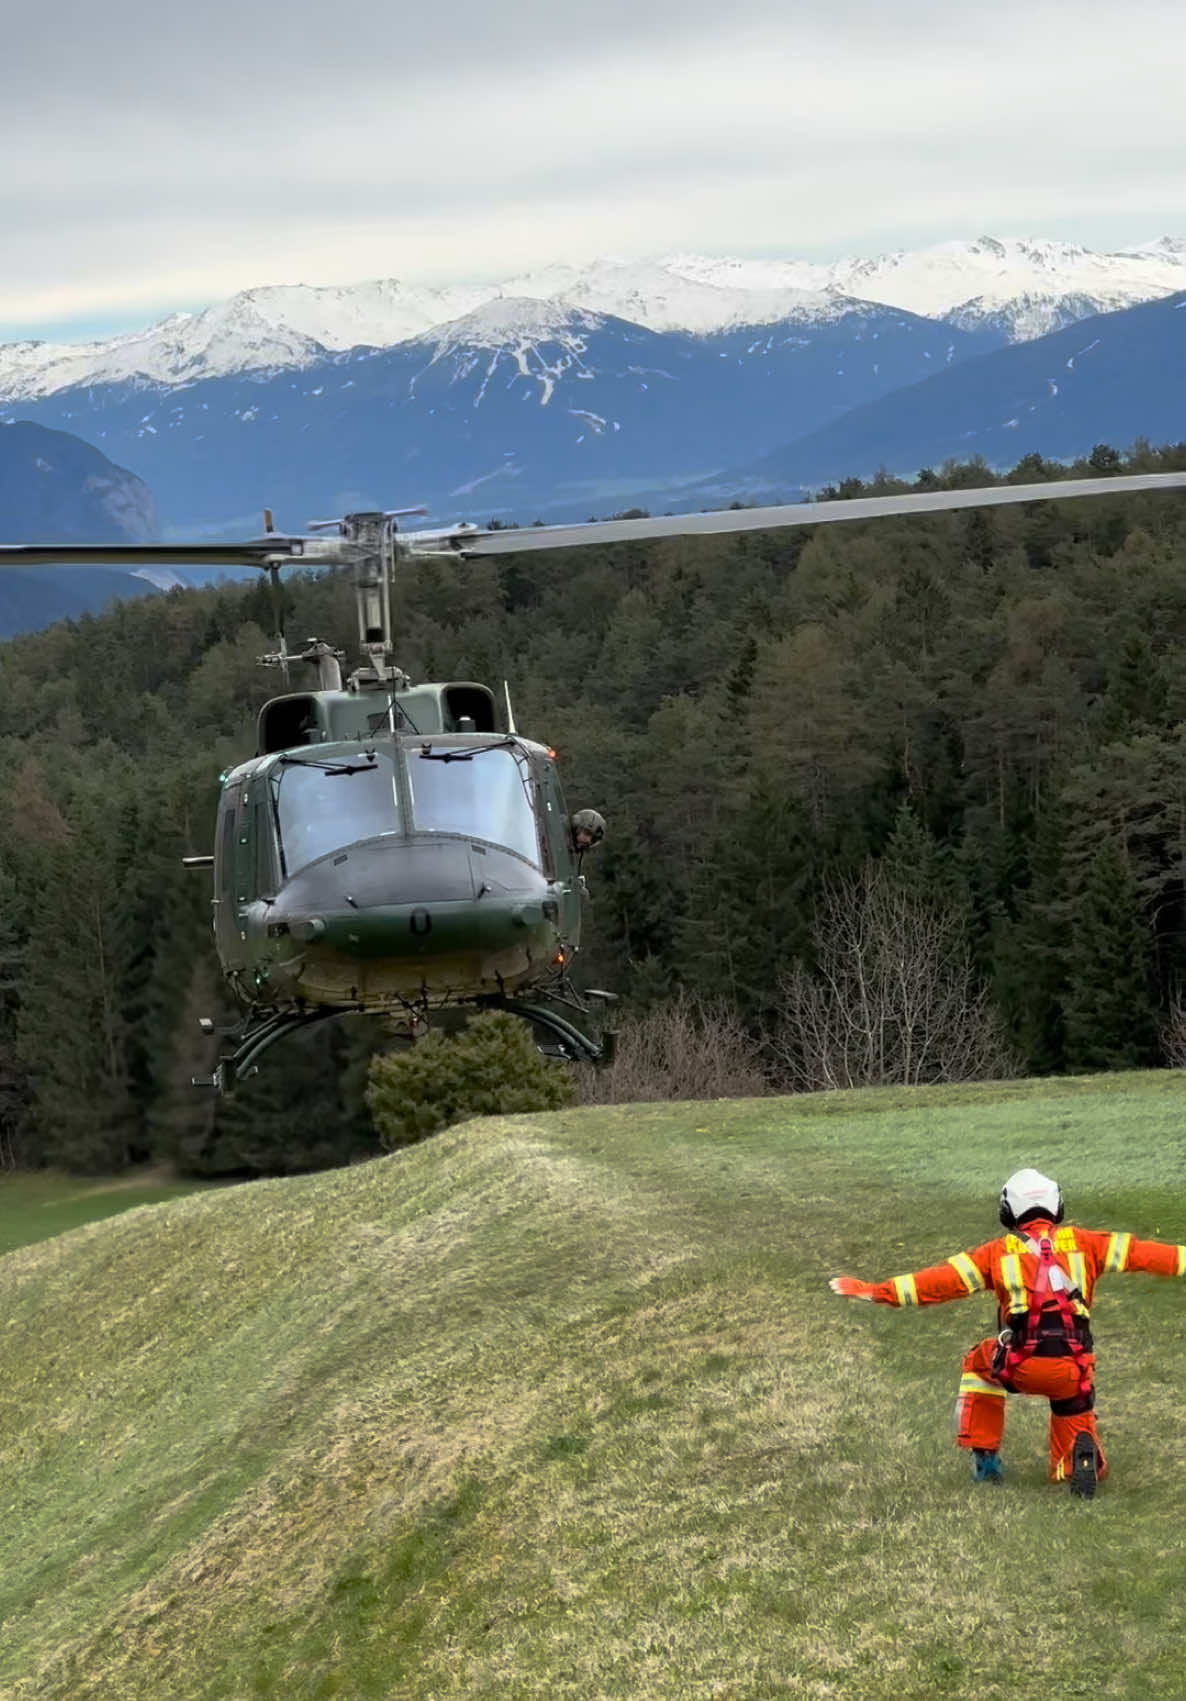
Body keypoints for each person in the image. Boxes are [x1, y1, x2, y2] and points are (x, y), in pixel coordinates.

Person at [829, 1168, 1186, 1497]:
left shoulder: (995, 1254)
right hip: (1073, 1370)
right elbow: (1150, 1255)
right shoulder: (1090, 1242)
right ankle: (1076, 1460)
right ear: (1057, 1206)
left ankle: (985, 1459)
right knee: (1072, 1408)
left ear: (1008, 1212)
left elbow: (937, 1283)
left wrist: (879, 1291)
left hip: (1021, 1363)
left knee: (977, 1362)